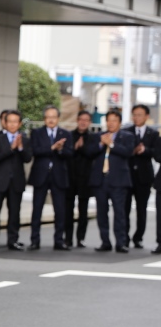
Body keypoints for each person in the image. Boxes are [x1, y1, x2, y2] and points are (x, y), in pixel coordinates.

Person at [86, 110, 134, 252]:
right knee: (101, 213)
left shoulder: (127, 136)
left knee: (119, 213)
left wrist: (111, 144)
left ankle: (121, 242)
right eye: (109, 120)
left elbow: (128, 152)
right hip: (100, 180)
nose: (111, 123)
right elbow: (89, 152)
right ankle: (105, 241)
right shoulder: (98, 136)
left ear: (119, 122)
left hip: (118, 181)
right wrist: (101, 143)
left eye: (114, 120)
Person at [0, 110, 31, 251]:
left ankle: (13, 240)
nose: (12, 124)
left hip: (16, 181)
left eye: (15, 121)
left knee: (15, 213)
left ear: (20, 123)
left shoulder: (24, 138)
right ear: (5, 122)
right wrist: (11, 148)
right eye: (9, 121)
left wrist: (20, 147)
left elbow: (28, 158)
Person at [28, 106, 73, 250]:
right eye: (48, 117)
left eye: (53, 117)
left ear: (58, 118)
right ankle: (35, 240)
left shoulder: (65, 134)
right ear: (44, 119)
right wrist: (52, 148)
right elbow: (35, 151)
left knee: (60, 210)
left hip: (58, 176)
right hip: (41, 175)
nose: (51, 120)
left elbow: (70, 153)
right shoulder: (37, 133)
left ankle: (59, 240)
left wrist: (60, 150)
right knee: (37, 209)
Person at [122, 104, 158, 249]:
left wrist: (145, 150)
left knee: (141, 209)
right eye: (134, 115)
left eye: (140, 115)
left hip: (144, 177)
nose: (136, 117)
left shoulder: (153, 133)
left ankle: (138, 237)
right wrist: (133, 150)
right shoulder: (126, 132)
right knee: (124, 208)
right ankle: (124, 237)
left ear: (146, 116)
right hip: (127, 176)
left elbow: (156, 153)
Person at [64, 110, 95, 249]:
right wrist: (74, 148)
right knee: (68, 210)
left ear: (90, 122)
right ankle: (68, 238)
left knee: (83, 211)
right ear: (77, 120)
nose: (83, 122)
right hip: (70, 177)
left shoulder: (93, 137)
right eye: (81, 119)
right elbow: (66, 153)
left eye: (86, 120)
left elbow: (92, 153)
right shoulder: (69, 135)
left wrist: (81, 148)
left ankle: (81, 238)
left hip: (85, 179)